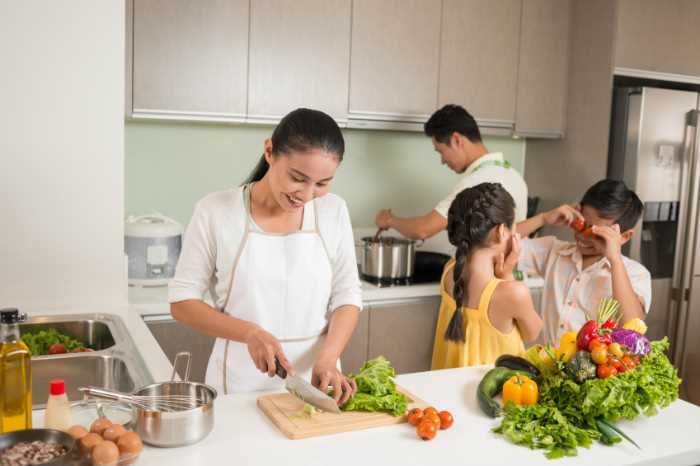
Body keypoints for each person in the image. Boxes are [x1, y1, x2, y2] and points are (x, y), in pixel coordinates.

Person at [169, 108, 362, 404]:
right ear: (270, 151)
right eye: (298, 178)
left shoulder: (333, 211)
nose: (307, 195)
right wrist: (249, 333)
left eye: (322, 184)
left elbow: (347, 295)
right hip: (238, 388)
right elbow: (183, 303)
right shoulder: (216, 211)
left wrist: (329, 358)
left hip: (316, 385)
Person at [516, 179, 650, 344]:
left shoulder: (635, 273)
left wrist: (615, 260)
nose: (583, 236)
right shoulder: (554, 252)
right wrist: (543, 219)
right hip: (547, 364)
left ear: (624, 236)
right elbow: (498, 244)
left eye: (597, 234)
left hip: (595, 368)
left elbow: (632, 329)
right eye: (581, 226)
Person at [374, 104, 528, 240]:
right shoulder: (514, 175)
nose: (442, 161)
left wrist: (389, 220)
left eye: (441, 151)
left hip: (483, 272)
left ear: (456, 140)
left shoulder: (478, 181)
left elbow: (423, 230)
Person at [431, 183, 543, 369]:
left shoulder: (450, 271)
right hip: (493, 395)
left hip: (445, 393)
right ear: (501, 232)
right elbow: (533, 332)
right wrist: (508, 274)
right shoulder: (513, 292)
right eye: (514, 229)